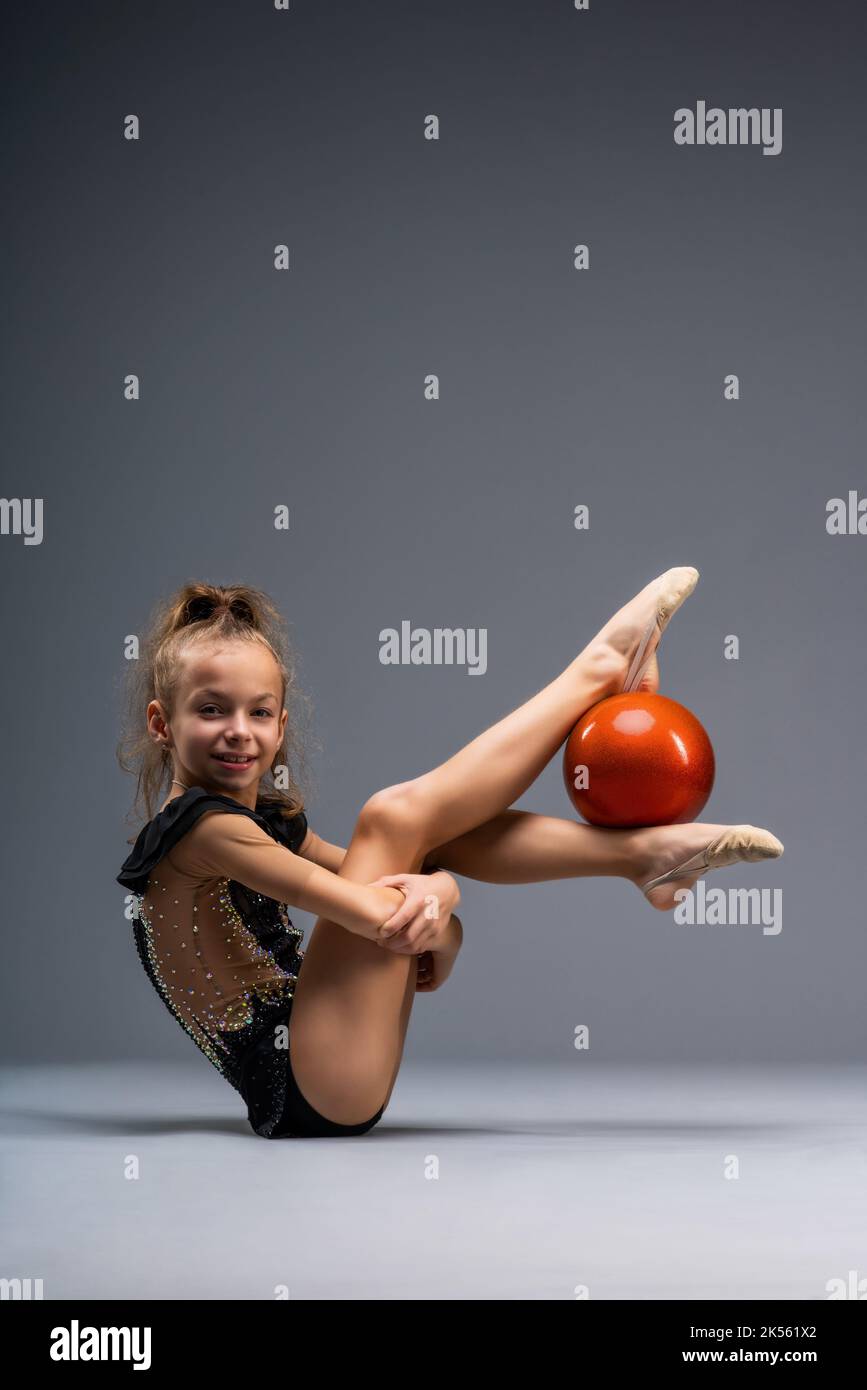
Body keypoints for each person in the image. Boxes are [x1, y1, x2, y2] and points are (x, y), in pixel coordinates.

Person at [116, 567, 783, 1138]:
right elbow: (379, 915)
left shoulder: (258, 820)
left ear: (281, 723)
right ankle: (599, 673)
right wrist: (442, 900)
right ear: (161, 723)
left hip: (329, 1058)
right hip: (310, 1085)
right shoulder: (198, 830)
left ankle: (641, 857)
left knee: (418, 830)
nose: (239, 732)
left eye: (258, 713)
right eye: (211, 710)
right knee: (392, 816)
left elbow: (409, 909)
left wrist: (442, 922)